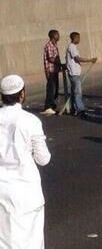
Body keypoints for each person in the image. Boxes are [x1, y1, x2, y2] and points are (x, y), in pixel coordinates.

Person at [0, 74, 51, 249]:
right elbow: (43, 159)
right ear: (22, 94)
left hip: (2, 190)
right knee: (31, 240)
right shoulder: (30, 121)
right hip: (26, 191)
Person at [65, 32, 97, 117]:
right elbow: (77, 58)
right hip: (74, 73)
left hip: (74, 73)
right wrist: (90, 60)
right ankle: (80, 109)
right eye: (78, 38)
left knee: (74, 92)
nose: (79, 40)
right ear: (74, 38)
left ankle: (73, 109)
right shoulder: (72, 47)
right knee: (78, 92)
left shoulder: (73, 47)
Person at [41, 30, 62, 116]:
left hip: (55, 70)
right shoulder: (49, 46)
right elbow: (50, 58)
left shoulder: (54, 45)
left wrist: (60, 66)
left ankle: (52, 105)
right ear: (54, 36)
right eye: (57, 35)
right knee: (51, 89)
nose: (59, 36)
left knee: (55, 89)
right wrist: (60, 64)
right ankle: (48, 107)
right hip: (50, 71)